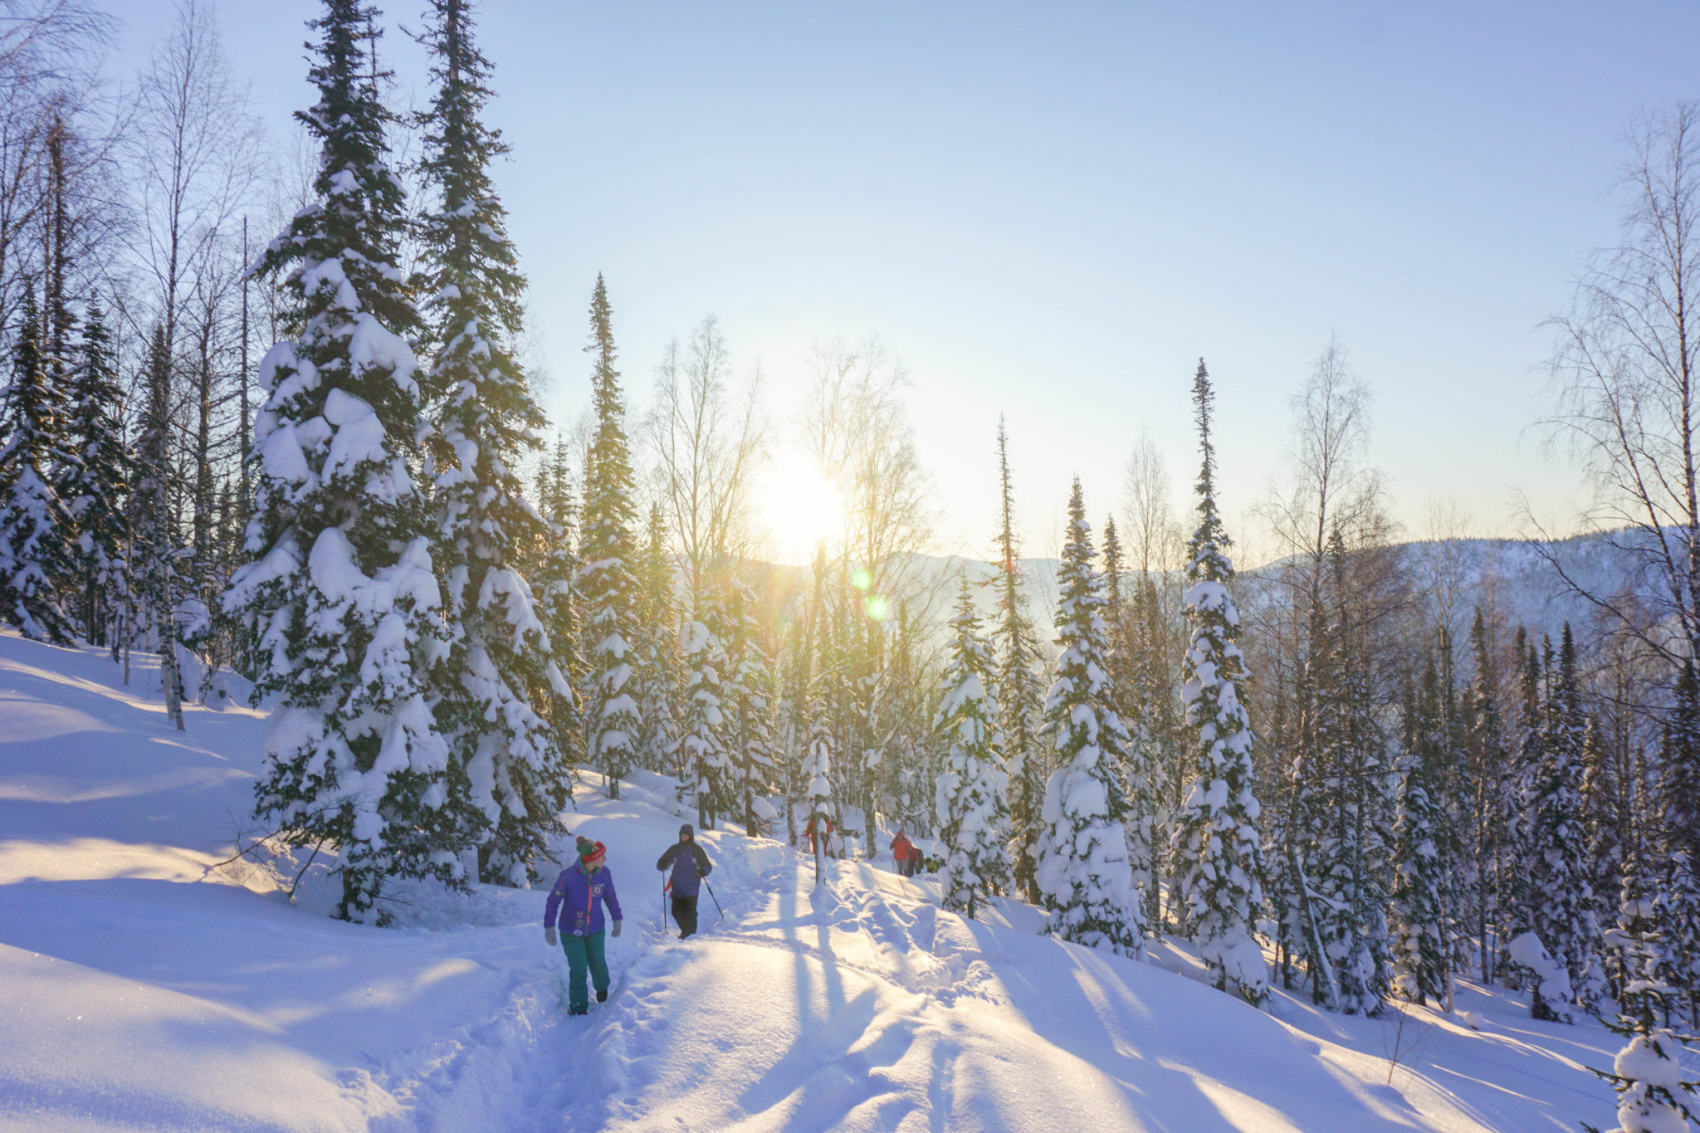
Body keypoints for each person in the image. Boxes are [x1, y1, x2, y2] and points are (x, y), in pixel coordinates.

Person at [544, 835, 623, 1016]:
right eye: (602, 856)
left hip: (595, 928)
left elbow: (610, 897)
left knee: (598, 964)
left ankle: (602, 991)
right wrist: (549, 926)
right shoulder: (568, 877)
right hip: (571, 931)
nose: (605, 859)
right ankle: (578, 1007)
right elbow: (553, 901)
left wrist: (617, 919)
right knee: (578, 968)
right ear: (593, 859)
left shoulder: (605, 873)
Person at [657, 823, 713, 938]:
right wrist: (662, 863)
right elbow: (662, 862)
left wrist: (703, 871)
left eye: (685, 836)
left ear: (691, 836)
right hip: (677, 888)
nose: (683, 838)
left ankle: (689, 935)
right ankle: (686, 931)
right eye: (682, 835)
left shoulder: (697, 850)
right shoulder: (675, 849)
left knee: (690, 913)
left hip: (691, 888)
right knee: (675, 912)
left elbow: (707, 865)